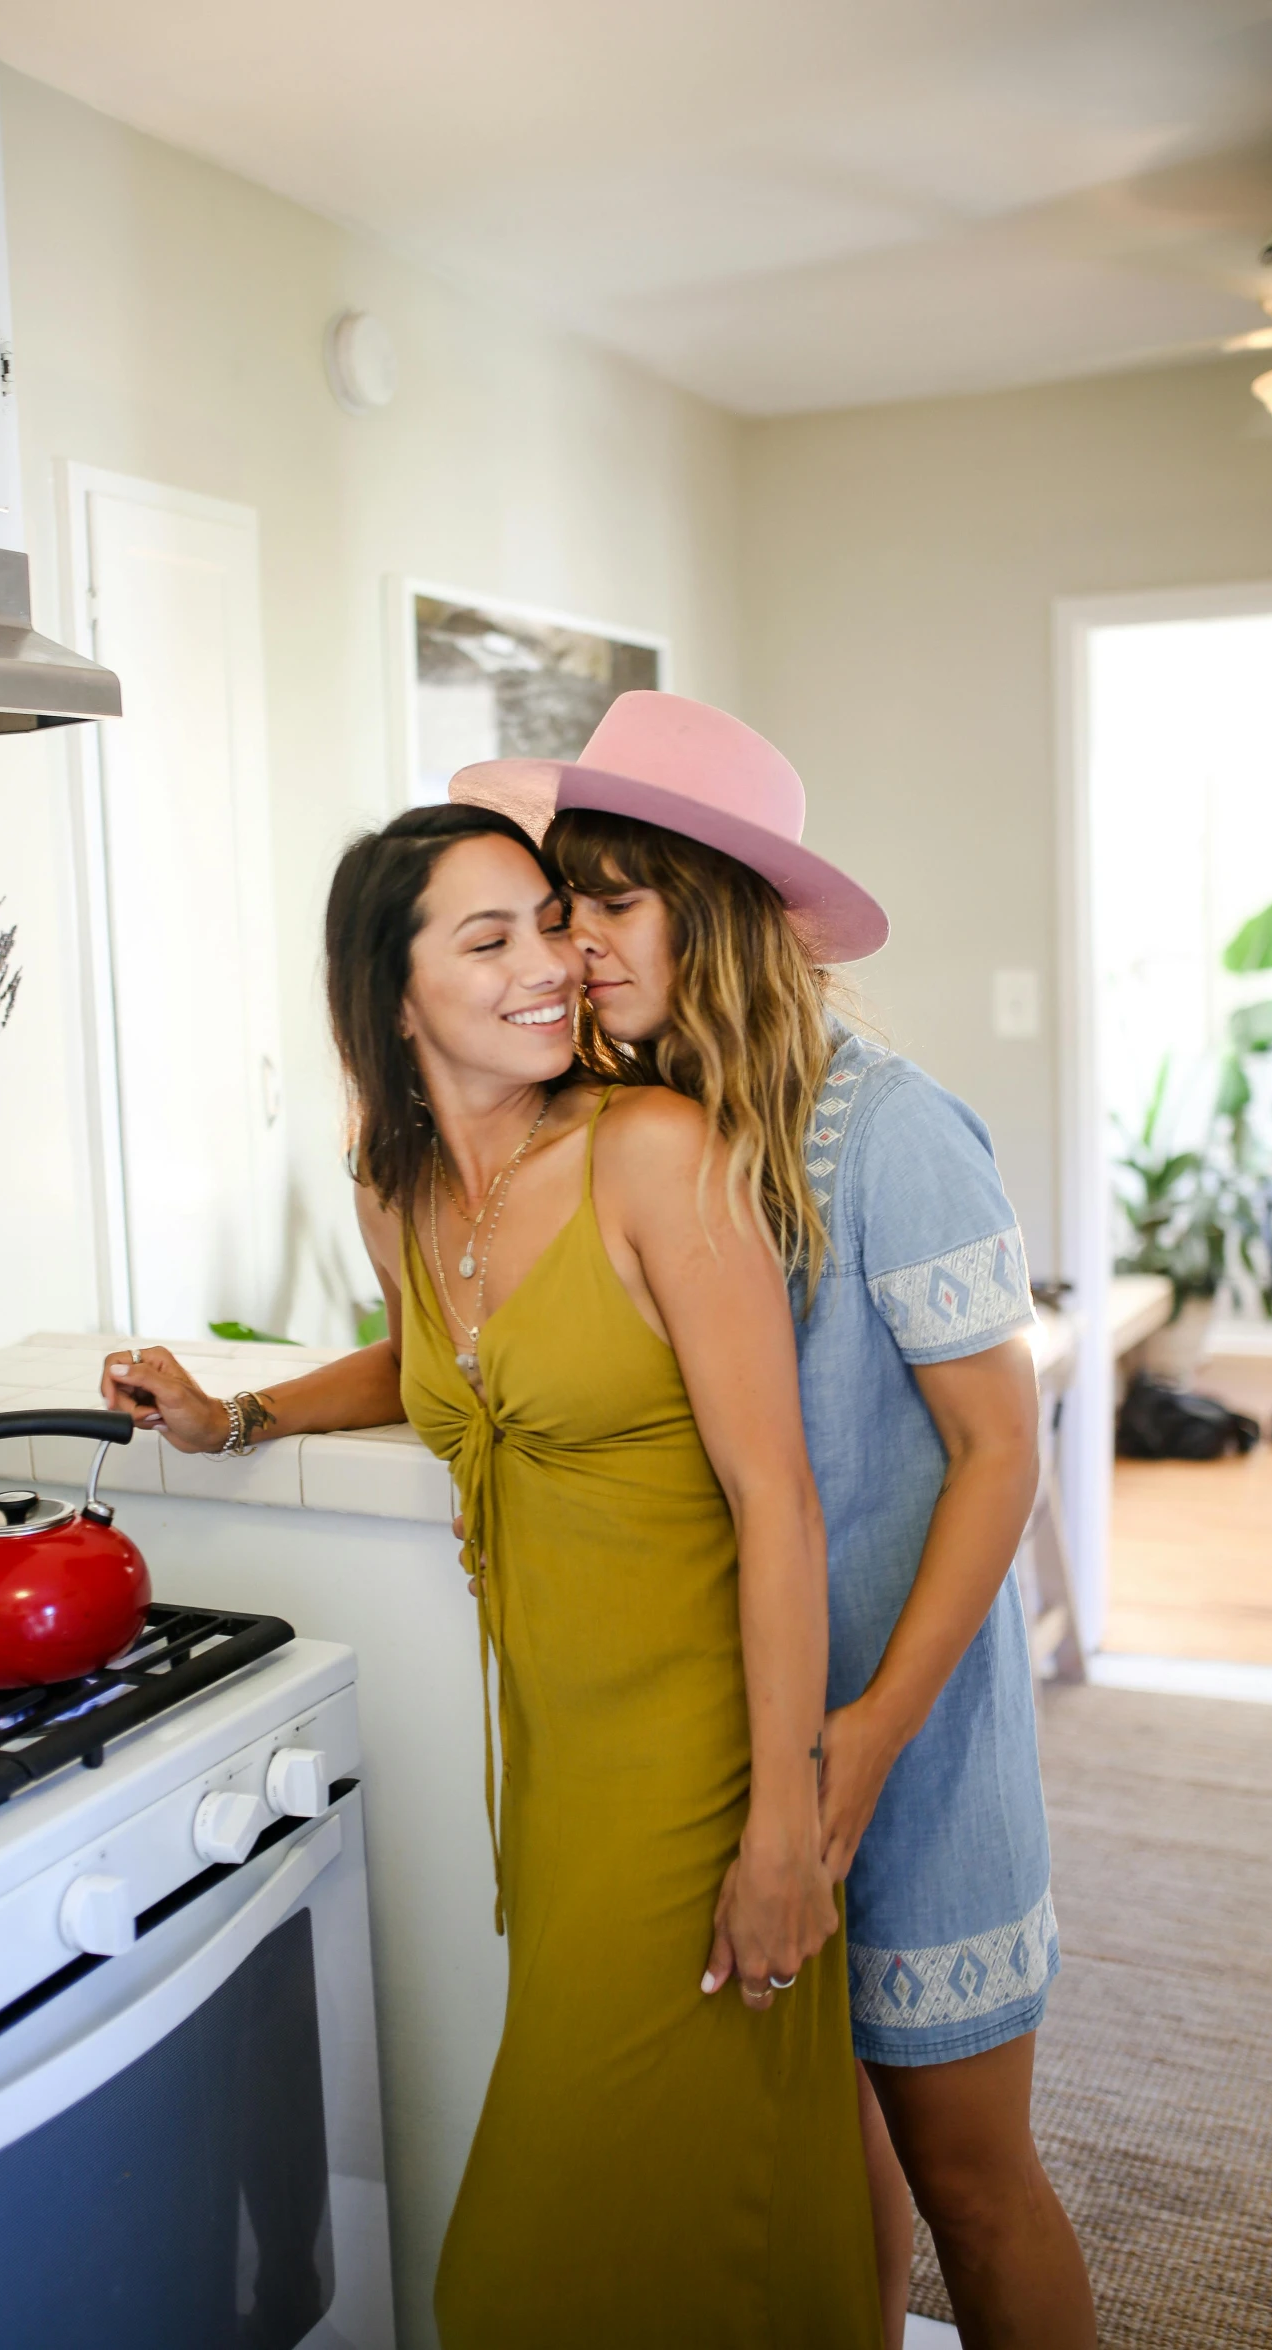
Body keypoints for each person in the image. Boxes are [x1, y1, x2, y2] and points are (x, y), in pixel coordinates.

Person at [103, 802, 882, 2350]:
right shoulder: (394, 1187)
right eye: (493, 938)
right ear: (393, 998)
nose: (552, 963)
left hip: (701, 1765)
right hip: (545, 1767)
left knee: (520, 2274)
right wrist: (239, 1410)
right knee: (680, 2222)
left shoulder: (655, 1153)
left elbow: (774, 1500)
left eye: (547, 923)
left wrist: (787, 1825)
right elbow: (431, 1359)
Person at [448, 690, 1098, 2350]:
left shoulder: (890, 1131)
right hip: (738, 1765)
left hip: (912, 1743)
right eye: (557, 901)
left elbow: (997, 1457)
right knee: (830, 2165)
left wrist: (865, 1744)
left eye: (610, 897)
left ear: (717, 902)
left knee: (971, 2177)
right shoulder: (634, 1135)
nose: (573, 943)